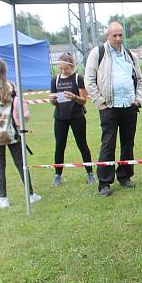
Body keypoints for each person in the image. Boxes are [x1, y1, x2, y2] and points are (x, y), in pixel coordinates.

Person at [85, 21, 142, 197]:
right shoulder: (98, 53)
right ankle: (104, 182)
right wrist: (100, 103)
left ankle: (125, 176)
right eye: (114, 35)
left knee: (128, 143)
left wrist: (138, 100)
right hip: (109, 107)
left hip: (129, 106)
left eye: (120, 35)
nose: (118, 38)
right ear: (108, 36)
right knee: (108, 144)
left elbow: (140, 80)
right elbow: (89, 80)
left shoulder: (131, 55)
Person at [0, 57, 42, 208]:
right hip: (12, 131)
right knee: (21, 164)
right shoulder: (11, 87)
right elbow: (21, 109)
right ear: (4, 71)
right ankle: (31, 194)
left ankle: (3, 198)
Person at [49, 52, 95, 186]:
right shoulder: (55, 80)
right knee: (59, 146)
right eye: (61, 69)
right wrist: (52, 100)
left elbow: (83, 100)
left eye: (66, 68)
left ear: (72, 66)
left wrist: (74, 97)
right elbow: (53, 102)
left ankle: (90, 173)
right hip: (60, 118)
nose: (64, 71)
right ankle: (57, 175)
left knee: (82, 144)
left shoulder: (78, 78)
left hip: (77, 117)